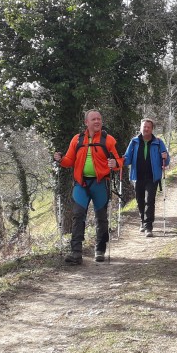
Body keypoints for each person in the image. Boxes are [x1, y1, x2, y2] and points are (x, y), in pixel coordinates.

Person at [53, 109, 124, 264]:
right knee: (78, 215)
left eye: (99, 119)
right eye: (94, 119)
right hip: (81, 183)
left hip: (100, 184)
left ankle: (100, 250)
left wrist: (115, 163)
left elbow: (119, 160)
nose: (97, 121)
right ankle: (76, 253)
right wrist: (60, 159)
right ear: (86, 122)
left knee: (101, 218)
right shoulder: (77, 140)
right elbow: (69, 161)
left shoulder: (109, 140)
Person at [123, 118, 170, 237]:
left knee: (150, 200)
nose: (146, 129)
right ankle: (142, 221)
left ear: (152, 129)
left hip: (152, 176)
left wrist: (165, 156)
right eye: (144, 126)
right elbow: (127, 158)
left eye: (148, 127)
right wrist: (121, 160)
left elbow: (166, 161)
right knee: (139, 201)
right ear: (140, 128)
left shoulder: (158, 142)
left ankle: (149, 226)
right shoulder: (134, 142)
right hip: (137, 176)